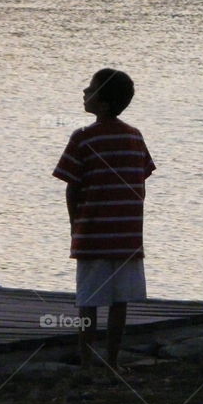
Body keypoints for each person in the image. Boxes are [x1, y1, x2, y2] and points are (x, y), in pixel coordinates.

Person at [53, 69, 155, 383]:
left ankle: (87, 361)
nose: (84, 92)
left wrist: (75, 225)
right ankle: (112, 361)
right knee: (119, 301)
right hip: (126, 237)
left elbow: (72, 186)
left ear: (105, 103)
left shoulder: (83, 138)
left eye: (91, 89)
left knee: (88, 302)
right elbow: (143, 179)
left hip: (93, 234)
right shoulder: (134, 136)